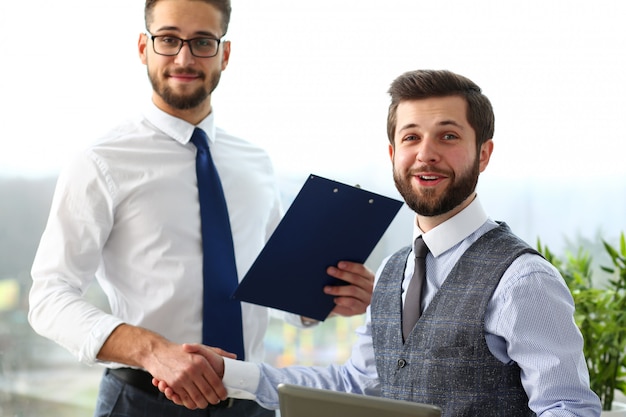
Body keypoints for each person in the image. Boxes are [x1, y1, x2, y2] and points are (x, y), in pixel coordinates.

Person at [156, 69, 602, 416]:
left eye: (448, 136)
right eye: (411, 137)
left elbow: (569, 408)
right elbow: (358, 383)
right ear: (393, 154)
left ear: (483, 153)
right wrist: (229, 372)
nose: (426, 153)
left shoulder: (523, 278)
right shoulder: (393, 270)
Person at [27, 1, 374, 416]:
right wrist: (155, 351)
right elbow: (49, 298)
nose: (185, 57)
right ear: (143, 47)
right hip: (142, 402)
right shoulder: (101, 161)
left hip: (250, 400)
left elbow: (271, 288)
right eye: (169, 39)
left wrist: (325, 300)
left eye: (203, 42)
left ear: (224, 54)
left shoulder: (255, 162)